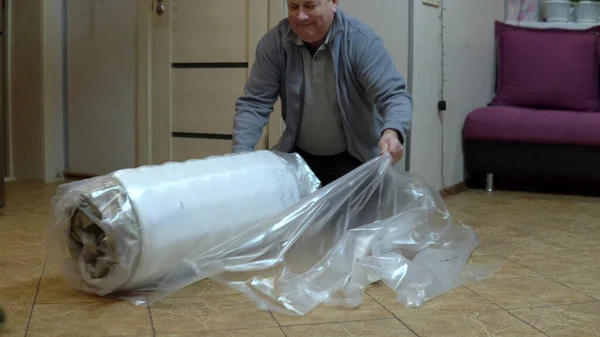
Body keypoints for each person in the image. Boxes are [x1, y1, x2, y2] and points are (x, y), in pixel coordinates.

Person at [232, 0, 413, 186]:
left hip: (356, 158)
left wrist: (392, 132)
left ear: (334, 3)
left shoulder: (361, 41)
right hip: (300, 157)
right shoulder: (275, 43)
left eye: (310, 6)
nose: (301, 16)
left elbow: (393, 95)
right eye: (294, 7)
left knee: (356, 215)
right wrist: (240, 157)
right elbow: (255, 104)